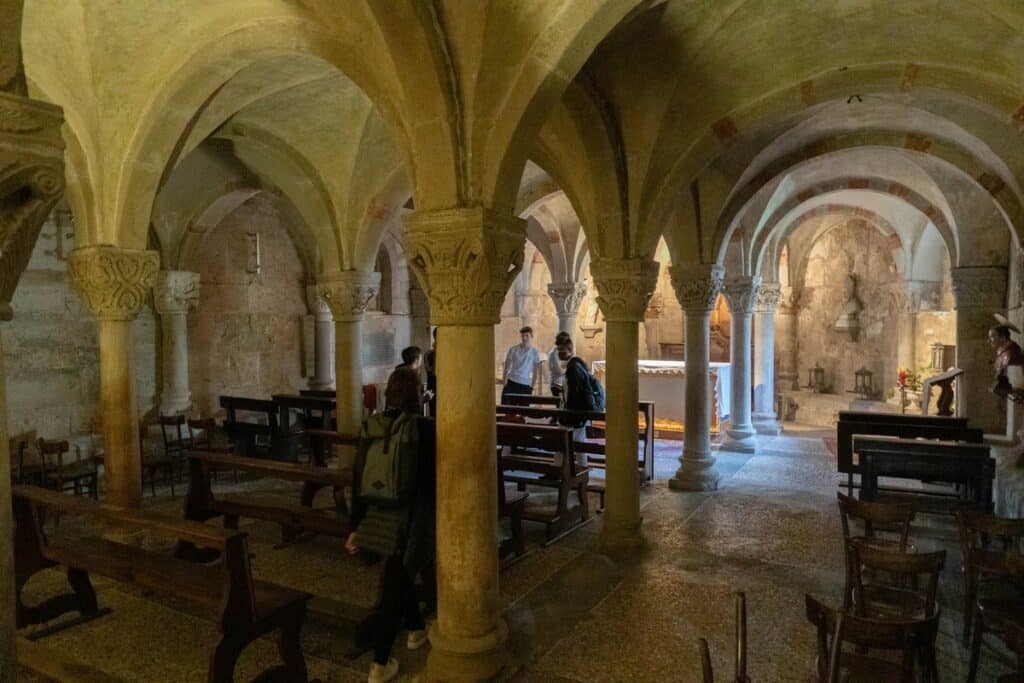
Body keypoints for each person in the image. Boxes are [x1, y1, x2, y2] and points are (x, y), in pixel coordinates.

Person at [346, 367, 436, 683]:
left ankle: (415, 629)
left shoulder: (373, 425)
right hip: (409, 520)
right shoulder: (423, 428)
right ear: (418, 394)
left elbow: (358, 477)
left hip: (376, 515)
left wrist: (355, 525)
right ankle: (379, 665)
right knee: (394, 587)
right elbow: (431, 481)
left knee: (398, 575)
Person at [554, 331, 598, 443]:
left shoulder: (573, 367)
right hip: (577, 415)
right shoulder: (575, 365)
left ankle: (563, 461)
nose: (559, 354)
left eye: (561, 351)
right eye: (558, 350)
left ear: (569, 350)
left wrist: (567, 414)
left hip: (574, 415)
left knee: (562, 445)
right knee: (578, 447)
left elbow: (574, 392)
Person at [501, 326, 544, 404]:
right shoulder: (513, 349)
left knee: (523, 411)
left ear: (531, 336)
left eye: (526, 336)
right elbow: (506, 368)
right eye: (522, 336)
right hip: (512, 382)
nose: (524, 338)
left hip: (525, 384)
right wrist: (504, 384)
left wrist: (532, 386)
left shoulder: (535, 352)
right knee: (509, 411)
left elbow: (535, 371)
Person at [989, 323, 1024, 395]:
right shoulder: (1001, 351)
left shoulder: (1011, 353)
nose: (989, 341)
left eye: (992, 337)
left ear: (1003, 337)